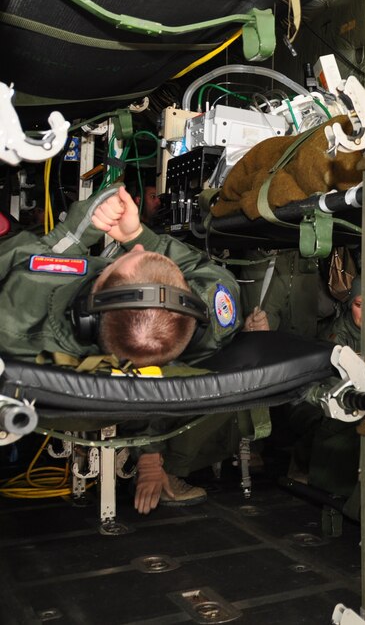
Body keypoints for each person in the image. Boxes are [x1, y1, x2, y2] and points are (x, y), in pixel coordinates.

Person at [0, 184, 248, 513]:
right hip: (91, 416)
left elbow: (25, 258)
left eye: (127, 257)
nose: (133, 248)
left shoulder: (15, 309)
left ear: (89, 308)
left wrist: (76, 232)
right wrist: (137, 235)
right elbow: (217, 279)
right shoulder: (196, 337)